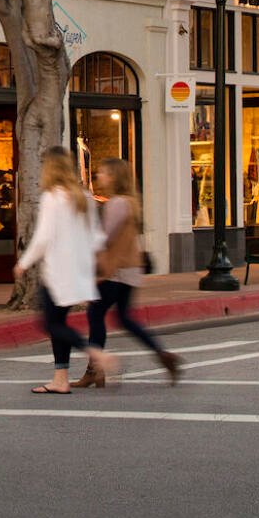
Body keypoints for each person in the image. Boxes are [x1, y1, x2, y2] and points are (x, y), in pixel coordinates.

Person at [19, 146, 112, 394]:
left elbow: (43, 237)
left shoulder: (52, 197)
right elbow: (96, 236)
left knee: (51, 323)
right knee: (58, 321)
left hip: (57, 271)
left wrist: (24, 262)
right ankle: (60, 378)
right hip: (79, 271)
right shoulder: (84, 196)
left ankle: (93, 353)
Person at [81, 157, 180, 386]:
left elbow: (104, 238)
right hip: (130, 269)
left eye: (103, 172)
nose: (99, 176)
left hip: (116, 270)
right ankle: (163, 355)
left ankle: (94, 369)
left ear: (114, 176)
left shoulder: (116, 204)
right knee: (123, 318)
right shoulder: (130, 202)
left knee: (95, 313)